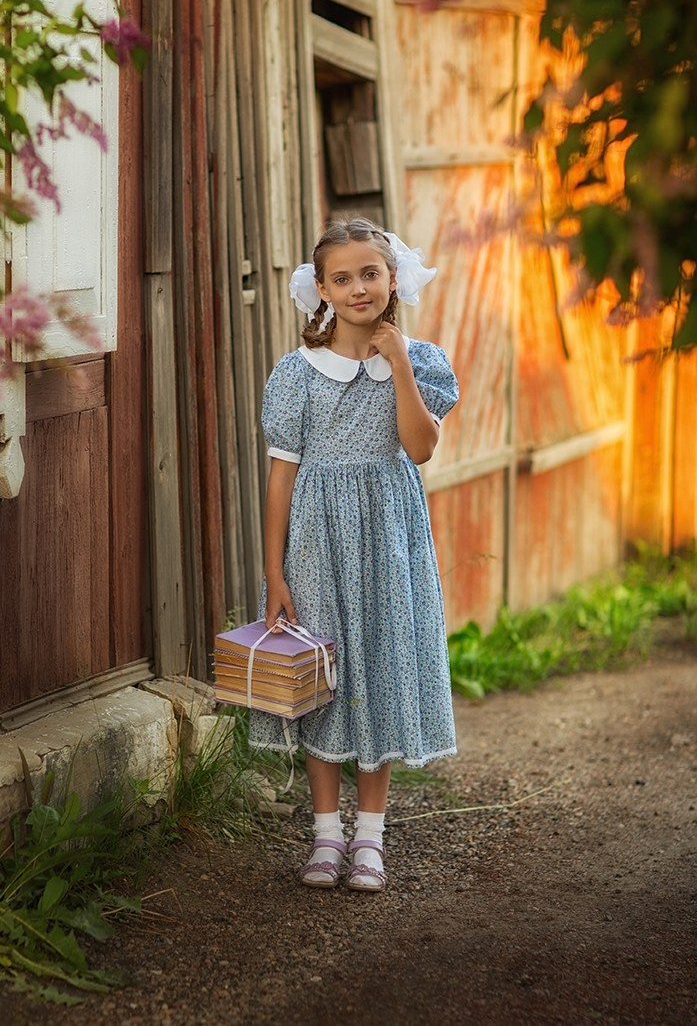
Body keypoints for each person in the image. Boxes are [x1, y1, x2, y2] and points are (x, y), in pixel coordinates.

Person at [249, 217, 459, 892]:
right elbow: (281, 476)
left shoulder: (420, 361)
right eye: (342, 277)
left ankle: (371, 836)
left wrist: (396, 361)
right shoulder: (298, 374)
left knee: (379, 662)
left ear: (393, 279)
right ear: (322, 290)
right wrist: (274, 571)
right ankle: (325, 835)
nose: (358, 287)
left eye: (371, 273)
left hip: (388, 538)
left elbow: (421, 447)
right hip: (315, 540)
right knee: (325, 678)